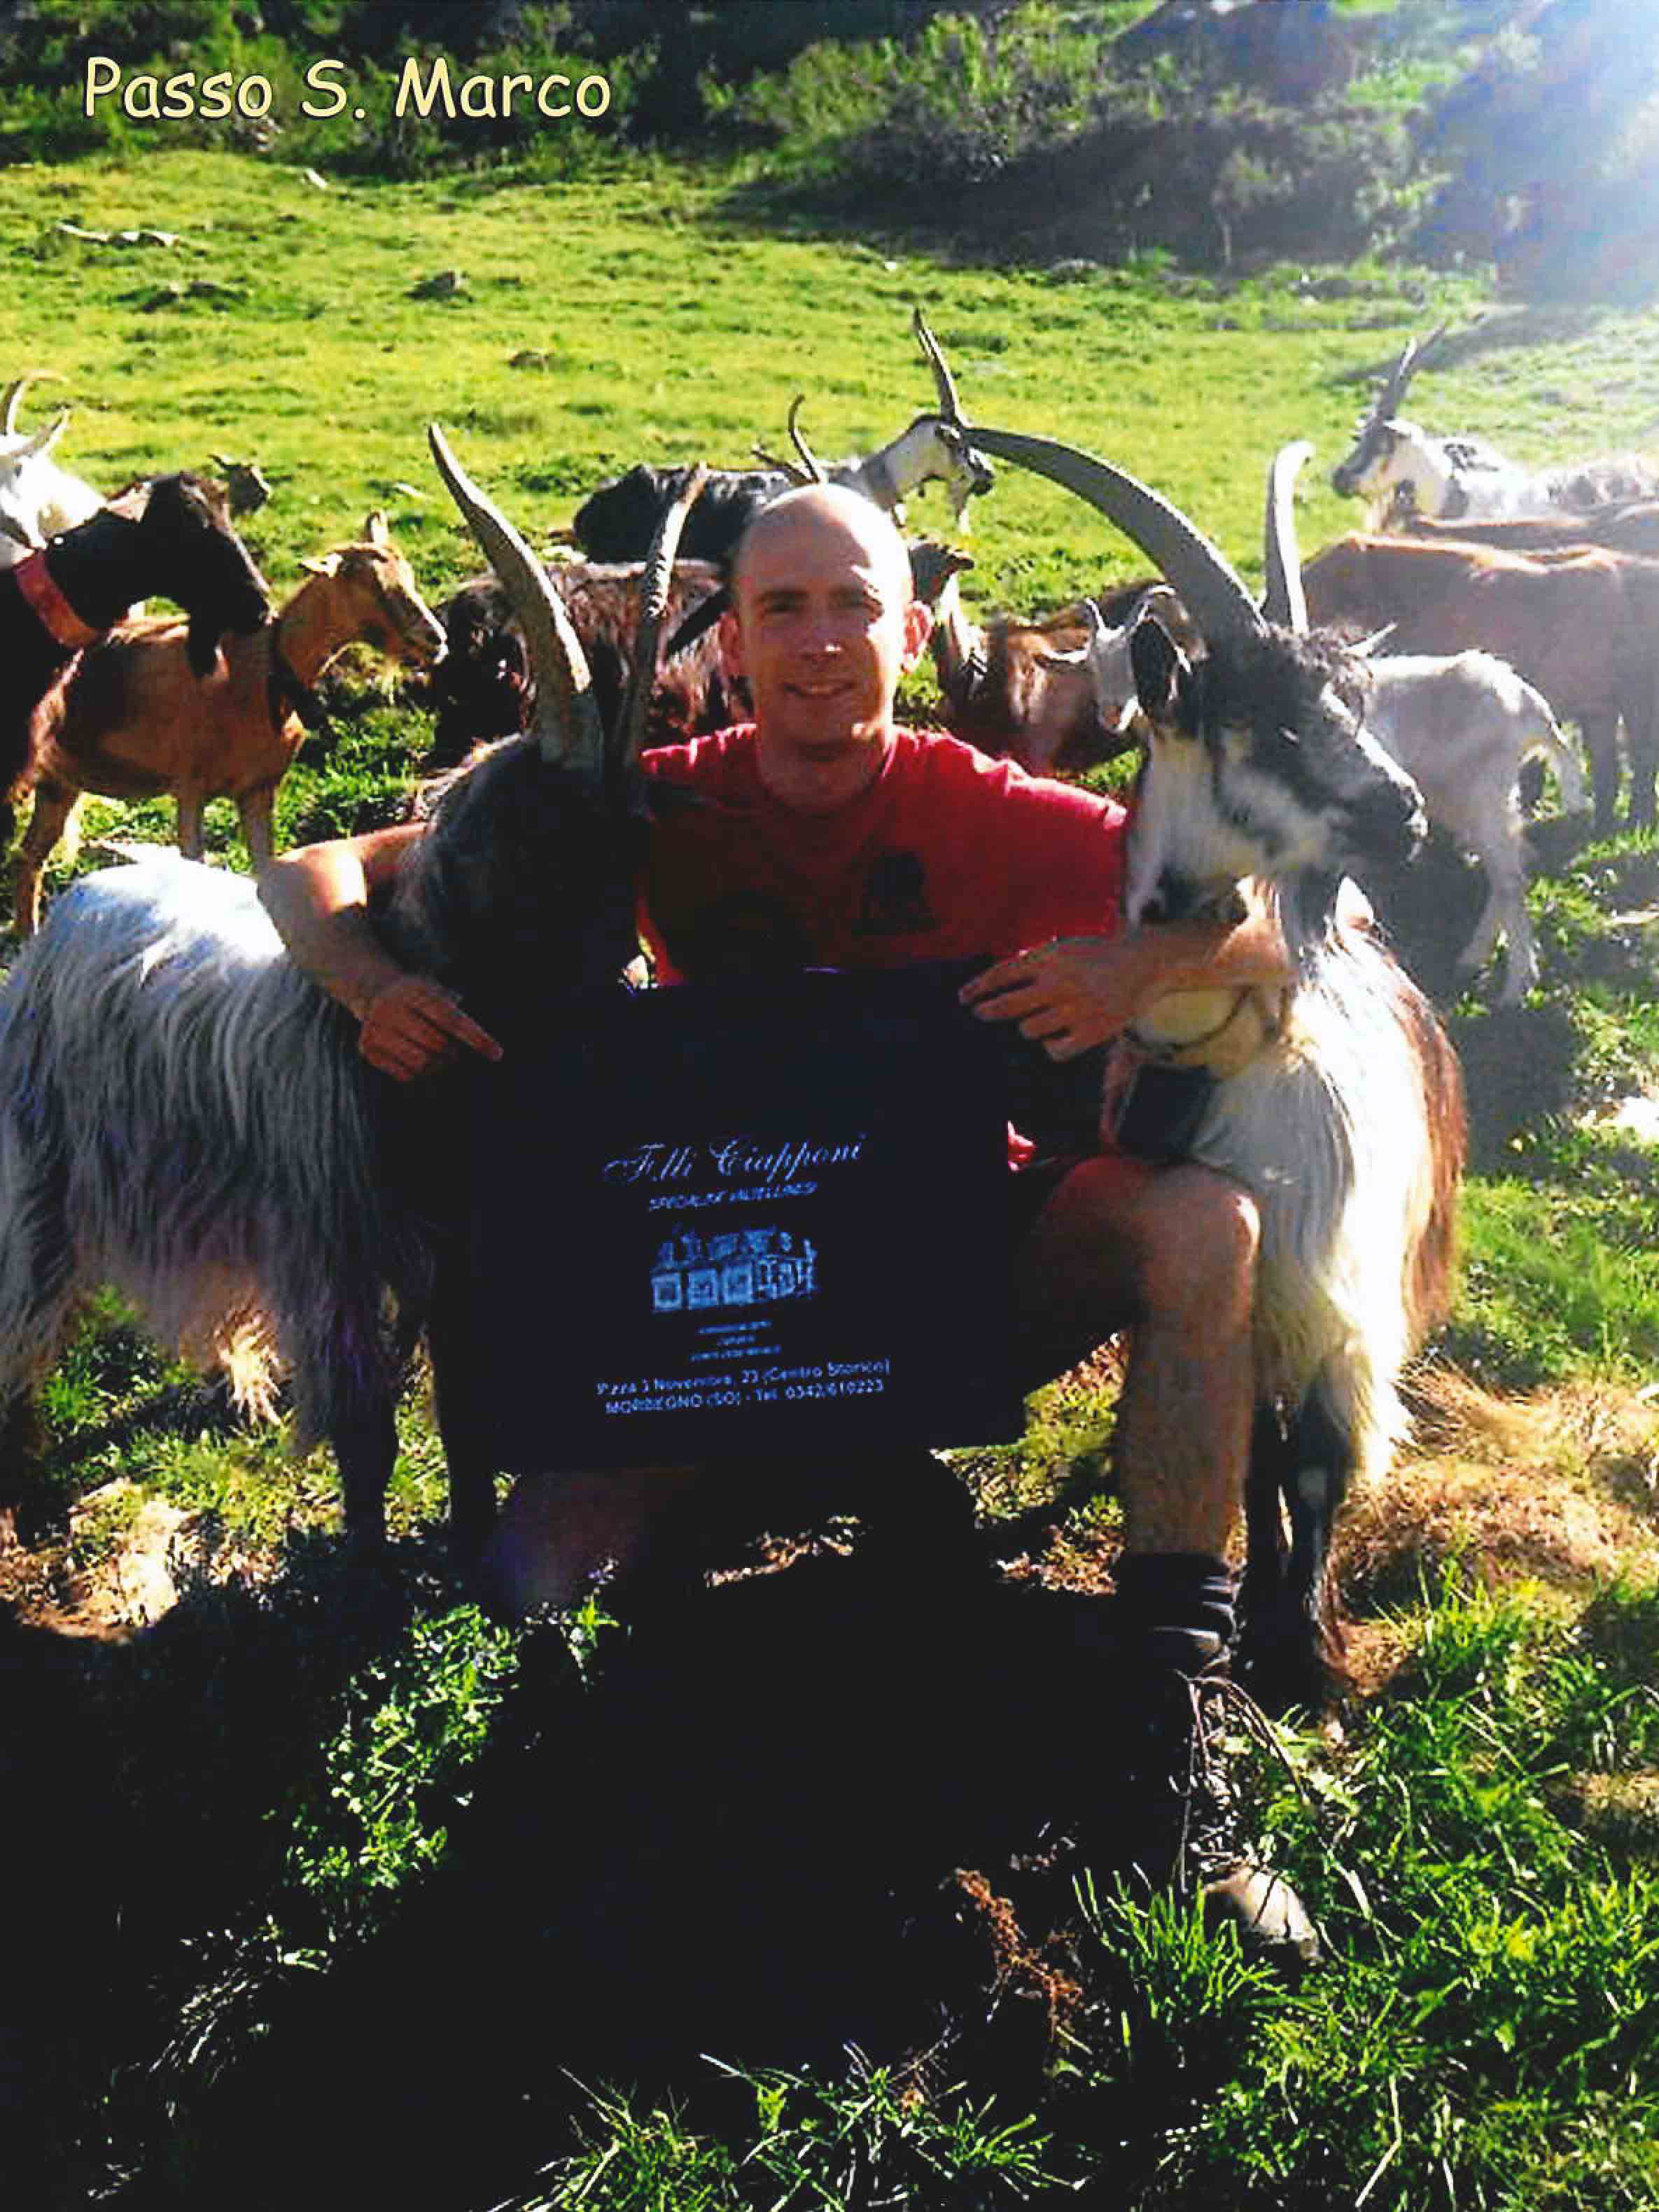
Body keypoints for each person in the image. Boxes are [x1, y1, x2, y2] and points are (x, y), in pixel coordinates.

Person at [258, 483, 1311, 1952]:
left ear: (913, 629)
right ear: (733, 640)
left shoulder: (990, 807)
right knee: (524, 1589)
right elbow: (310, 870)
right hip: (718, 1299)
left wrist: (1140, 966)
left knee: (1203, 1227)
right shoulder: (653, 799)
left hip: (950, 1269)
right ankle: (517, 1824)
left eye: (855, 607)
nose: (820, 642)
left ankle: (1168, 1727)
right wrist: (374, 987)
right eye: (782, 609)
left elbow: (1290, 919)